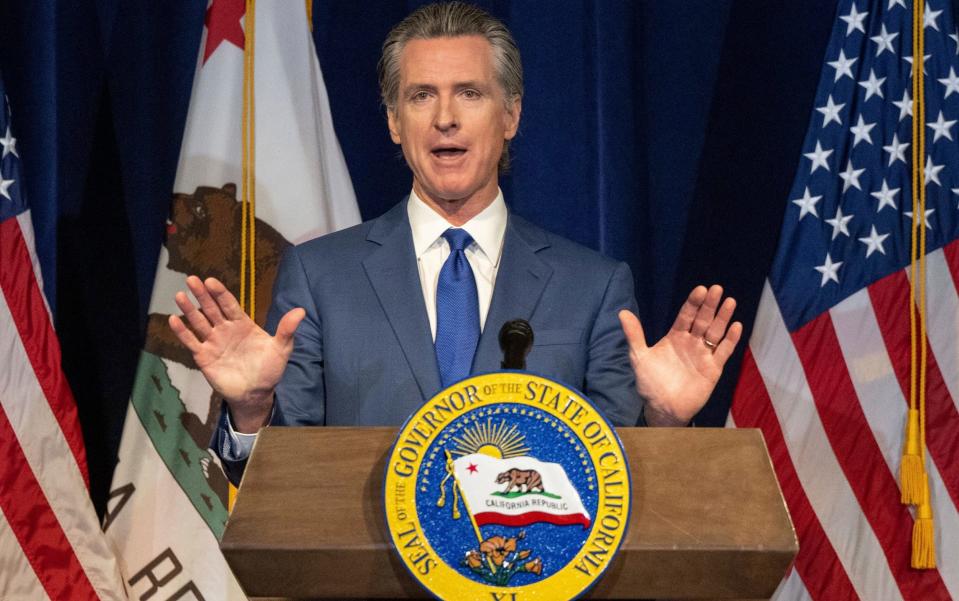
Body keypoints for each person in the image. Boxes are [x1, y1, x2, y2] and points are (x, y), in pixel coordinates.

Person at [169, 2, 742, 484]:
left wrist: (666, 422)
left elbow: (618, 483)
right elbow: (281, 484)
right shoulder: (321, 277)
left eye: (469, 93)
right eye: (421, 96)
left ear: (511, 114)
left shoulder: (593, 287)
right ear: (394, 121)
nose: (445, 118)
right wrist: (249, 410)